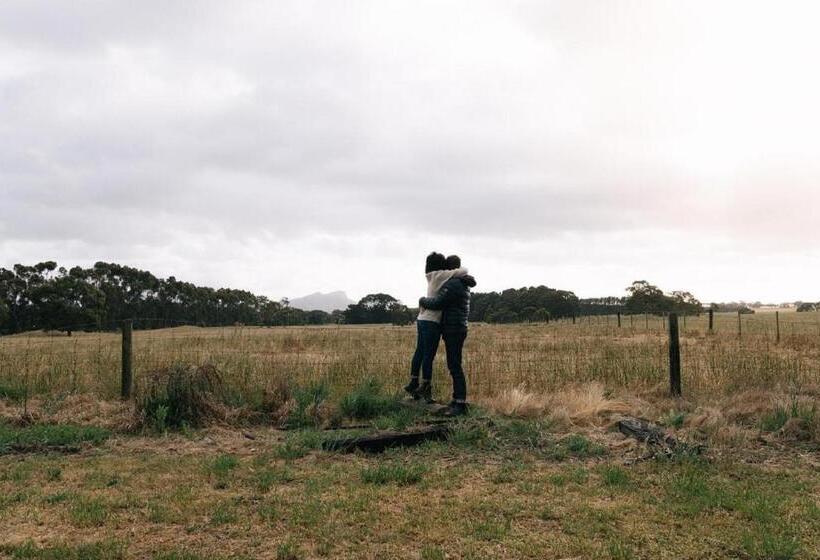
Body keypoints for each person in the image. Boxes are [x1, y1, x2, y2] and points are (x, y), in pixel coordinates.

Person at [404, 252, 469, 402]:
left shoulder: (431, 276)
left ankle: (414, 382)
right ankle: (425, 386)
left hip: (422, 319)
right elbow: (460, 271)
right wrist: (465, 276)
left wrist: (422, 300)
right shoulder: (442, 276)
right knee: (429, 355)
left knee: (419, 352)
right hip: (432, 321)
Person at [418, 254, 476, 416]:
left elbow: (438, 303)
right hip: (457, 327)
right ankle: (457, 399)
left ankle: (460, 404)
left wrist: (422, 300)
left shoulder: (453, 284)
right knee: (454, 365)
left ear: (450, 270)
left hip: (453, 328)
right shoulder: (462, 283)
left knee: (455, 366)